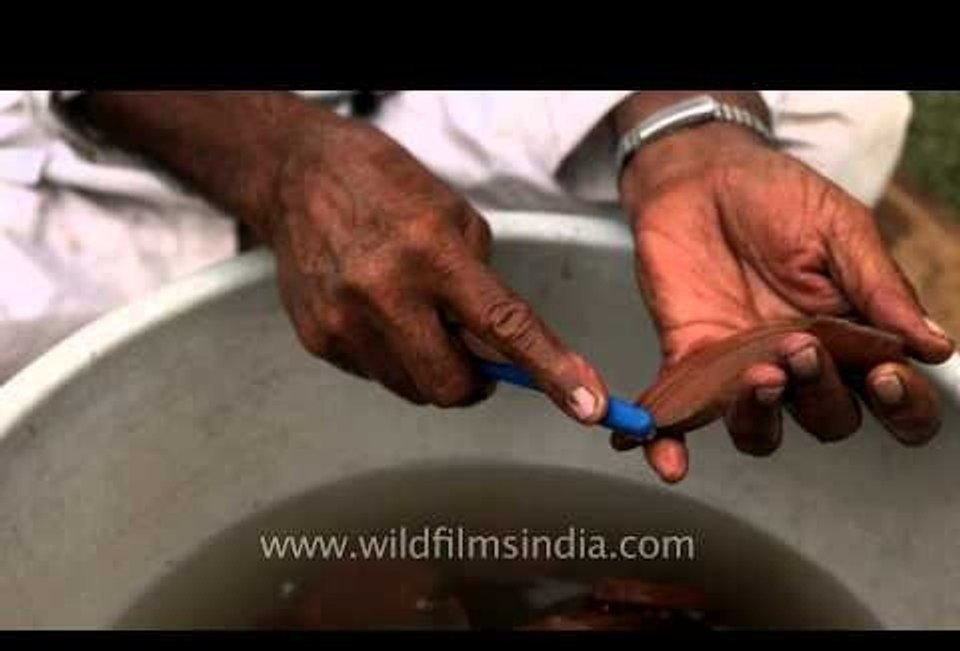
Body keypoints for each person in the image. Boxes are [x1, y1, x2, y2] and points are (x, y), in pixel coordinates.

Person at [0, 90, 953, 482]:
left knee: (846, 107)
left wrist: (678, 127)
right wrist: (286, 169)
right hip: (81, 158)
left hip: (411, 102)